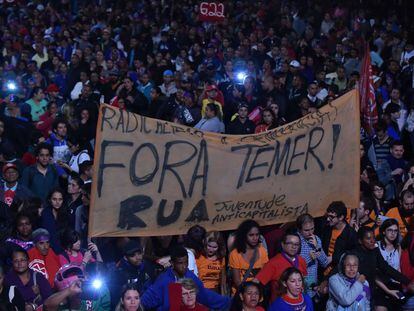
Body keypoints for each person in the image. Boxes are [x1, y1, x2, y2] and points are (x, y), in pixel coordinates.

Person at [141, 245, 230, 311]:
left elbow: (205, 296)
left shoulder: (190, 276)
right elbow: (145, 301)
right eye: (180, 263)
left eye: (186, 262)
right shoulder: (164, 280)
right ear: (172, 263)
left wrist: (230, 302)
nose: (184, 266)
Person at [352, 226, 413, 308]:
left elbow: (385, 268)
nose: (372, 241)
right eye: (368, 238)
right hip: (358, 291)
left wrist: (407, 281)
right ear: (360, 241)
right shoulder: (354, 254)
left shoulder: (374, 250)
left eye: (373, 237)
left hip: (372, 290)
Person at [255, 232, 307, 303]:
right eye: (290, 243)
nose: (294, 247)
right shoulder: (273, 263)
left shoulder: (302, 260)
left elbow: (305, 279)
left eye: (296, 244)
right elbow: (256, 282)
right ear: (282, 245)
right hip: (279, 305)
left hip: (298, 304)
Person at [111, 239, 157, 309]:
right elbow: (116, 299)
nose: (138, 257)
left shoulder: (148, 267)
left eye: (139, 253)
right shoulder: (119, 273)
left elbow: (153, 289)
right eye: (132, 255)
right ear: (125, 258)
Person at [229, 220, 268, 294]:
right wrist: (248, 294)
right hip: (241, 294)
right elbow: (237, 281)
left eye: (257, 235)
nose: (255, 238)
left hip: (258, 294)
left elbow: (264, 274)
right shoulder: (235, 254)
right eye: (251, 235)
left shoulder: (262, 251)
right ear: (244, 235)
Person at [296, 214, 331, 297]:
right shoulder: (296, 241)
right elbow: (293, 265)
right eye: (306, 230)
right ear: (299, 230)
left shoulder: (316, 239)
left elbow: (324, 262)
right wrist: (309, 258)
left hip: (312, 285)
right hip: (298, 284)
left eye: (312, 229)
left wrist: (317, 246)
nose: (310, 232)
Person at [320, 201, 357, 276]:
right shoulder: (327, 229)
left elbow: (352, 254)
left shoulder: (350, 233)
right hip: (323, 269)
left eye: (332, 217)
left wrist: (333, 258)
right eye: (328, 216)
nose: (328, 219)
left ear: (341, 217)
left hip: (338, 271)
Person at [375, 219, 403, 310]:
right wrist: (388, 290)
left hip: (395, 285)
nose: (393, 233)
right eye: (390, 230)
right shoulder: (376, 246)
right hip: (380, 285)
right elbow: (374, 273)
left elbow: (398, 269)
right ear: (383, 231)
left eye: (395, 231)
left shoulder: (398, 247)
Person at [40, 188, 70, 253]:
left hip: (64, 248)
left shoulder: (66, 213)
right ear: (50, 200)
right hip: (48, 249)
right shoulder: (45, 213)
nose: (57, 202)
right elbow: (48, 233)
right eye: (54, 199)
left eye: (60, 199)